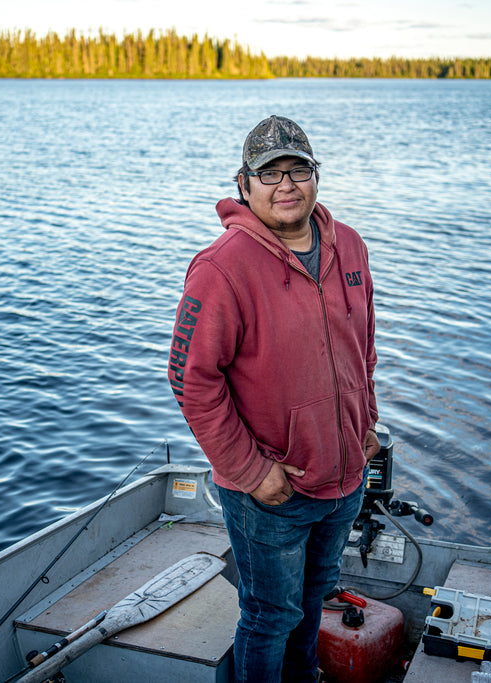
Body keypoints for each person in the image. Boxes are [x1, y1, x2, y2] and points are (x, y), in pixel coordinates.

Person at [168, 115, 380, 682]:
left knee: (313, 601)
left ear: (315, 177)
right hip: (272, 494)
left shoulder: (351, 247)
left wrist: (367, 425)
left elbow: (364, 348)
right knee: (269, 616)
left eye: (298, 170)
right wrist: (251, 470)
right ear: (244, 184)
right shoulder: (221, 268)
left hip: (344, 480)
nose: (286, 185)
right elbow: (191, 381)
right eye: (270, 173)